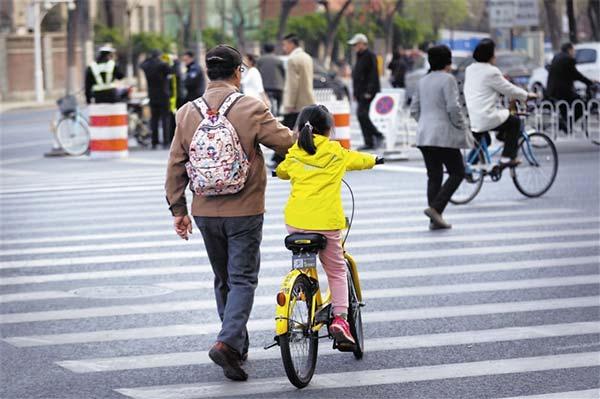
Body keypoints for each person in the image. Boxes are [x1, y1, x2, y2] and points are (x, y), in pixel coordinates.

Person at [165, 44, 294, 381]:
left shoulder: (186, 112)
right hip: (245, 209)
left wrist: (179, 209)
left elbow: (176, 163)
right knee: (242, 279)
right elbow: (284, 141)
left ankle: (237, 341)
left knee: (223, 278)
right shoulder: (251, 107)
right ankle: (226, 343)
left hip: (205, 210)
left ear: (209, 73)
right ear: (239, 72)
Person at [275, 104, 379, 343]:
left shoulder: (295, 153)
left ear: (300, 129)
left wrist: (280, 172)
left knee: (304, 265)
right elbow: (360, 160)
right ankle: (340, 319)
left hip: (296, 223)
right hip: (326, 224)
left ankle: (303, 289)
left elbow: (282, 171)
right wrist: (375, 159)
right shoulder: (335, 152)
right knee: (336, 271)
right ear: (330, 130)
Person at [410, 45, 473, 230]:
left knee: (434, 176)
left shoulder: (423, 80)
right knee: (458, 172)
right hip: (443, 136)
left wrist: (425, 123)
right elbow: (453, 107)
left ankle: (434, 220)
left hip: (424, 135)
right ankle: (436, 209)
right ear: (448, 61)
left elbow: (414, 109)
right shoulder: (448, 79)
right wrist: (461, 125)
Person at [463, 39, 537, 167]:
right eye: (494, 53)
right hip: (485, 116)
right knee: (515, 123)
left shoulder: (470, 69)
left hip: (472, 116)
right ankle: (506, 158)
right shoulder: (491, 71)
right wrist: (526, 96)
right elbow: (508, 88)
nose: (495, 56)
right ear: (490, 55)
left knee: (484, 139)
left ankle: (469, 165)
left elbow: (484, 89)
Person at [271, 33, 315, 168]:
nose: (284, 48)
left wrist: (289, 103)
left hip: (295, 103)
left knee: (286, 131)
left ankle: (280, 157)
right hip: (307, 99)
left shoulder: (292, 60)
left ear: (291, 44)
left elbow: (292, 84)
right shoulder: (307, 57)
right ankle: (289, 156)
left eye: (285, 45)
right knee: (303, 130)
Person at [547, 42, 596, 132]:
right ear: (569, 50)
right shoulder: (568, 59)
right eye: (573, 50)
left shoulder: (557, 57)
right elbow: (576, 75)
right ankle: (566, 123)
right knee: (582, 105)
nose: (574, 52)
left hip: (552, 91)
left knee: (571, 104)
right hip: (562, 92)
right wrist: (589, 82)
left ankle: (564, 123)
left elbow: (566, 75)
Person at [348, 33, 385, 150]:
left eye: (355, 44)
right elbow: (357, 76)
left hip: (367, 92)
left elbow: (373, 75)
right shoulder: (359, 56)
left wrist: (369, 91)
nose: (354, 47)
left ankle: (377, 135)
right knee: (361, 115)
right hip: (360, 92)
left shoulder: (370, 55)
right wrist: (355, 93)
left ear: (361, 44)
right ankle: (369, 141)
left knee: (362, 114)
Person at [140, 49, 172, 149]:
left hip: (152, 95)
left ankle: (155, 142)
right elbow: (171, 70)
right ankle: (166, 142)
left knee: (154, 119)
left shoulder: (147, 65)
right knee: (165, 119)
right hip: (163, 94)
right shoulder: (163, 65)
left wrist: (148, 58)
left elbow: (142, 64)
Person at [256, 42, 285, 116]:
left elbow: (257, 72)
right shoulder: (278, 60)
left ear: (264, 49)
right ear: (273, 49)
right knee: (279, 99)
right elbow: (283, 73)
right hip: (278, 87)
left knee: (265, 103)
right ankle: (278, 111)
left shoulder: (260, 60)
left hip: (265, 87)